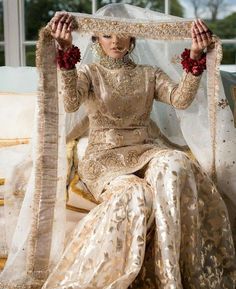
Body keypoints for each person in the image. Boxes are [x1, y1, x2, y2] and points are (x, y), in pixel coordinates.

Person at [0, 4, 235, 289]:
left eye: (122, 35)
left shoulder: (149, 73)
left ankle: (171, 275)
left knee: (175, 164)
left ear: (133, 39)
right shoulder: (90, 73)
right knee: (136, 195)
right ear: (97, 40)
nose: (116, 41)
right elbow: (72, 102)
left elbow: (180, 100)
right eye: (107, 35)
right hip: (106, 158)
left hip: (146, 149)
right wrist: (65, 57)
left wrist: (195, 57)